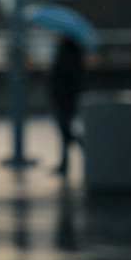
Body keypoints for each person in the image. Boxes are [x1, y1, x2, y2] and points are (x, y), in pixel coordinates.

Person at [50, 35, 86, 175]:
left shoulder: (67, 52)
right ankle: (64, 163)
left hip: (64, 97)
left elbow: (63, 76)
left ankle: (85, 146)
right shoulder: (73, 52)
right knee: (64, 129)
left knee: (64, 129)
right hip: (67, 96)